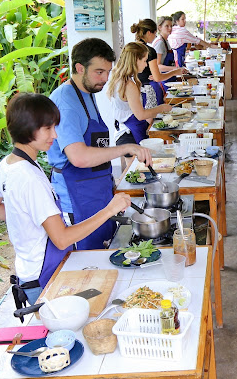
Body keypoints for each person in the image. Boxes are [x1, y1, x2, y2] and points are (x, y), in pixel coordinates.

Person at [0, 93, 132, 379]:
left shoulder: (11, 164)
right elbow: (62, 238)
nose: (53, 134)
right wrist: (108, 210)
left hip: (28, 272)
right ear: (28, 128)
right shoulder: (30, 178)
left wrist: (23, 220)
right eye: (47, 127)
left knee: (48, 348)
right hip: (44, 276)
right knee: (55, 356)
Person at [48, 38, 152, 250]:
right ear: (79, 68)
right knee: (85, 260)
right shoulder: (66, 102)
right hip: (77, 197)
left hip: (96, 189)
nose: (105, 78)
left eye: (108, 72)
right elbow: (79, 157)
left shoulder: (86, 93)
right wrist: (126, 148)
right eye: (99, 72)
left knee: (103, 249)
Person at [109, 42, 172, 145]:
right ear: (135, 60)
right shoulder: (129, 85)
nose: (146, 64)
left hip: (122, 132)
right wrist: (161, 108)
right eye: (144, 61)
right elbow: (140, 115)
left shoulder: (118, 79)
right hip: (130, 134)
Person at [131, 18, 185, 107]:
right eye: (154, 34)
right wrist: (175, 72)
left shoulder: (130, 48)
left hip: (134, 89)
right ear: (149, 33)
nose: (155, 37)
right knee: (155, 117)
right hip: (149, 89)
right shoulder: (149, 51)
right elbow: (157, 77)